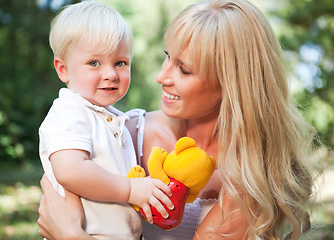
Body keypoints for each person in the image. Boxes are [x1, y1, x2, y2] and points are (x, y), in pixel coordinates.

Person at [38, 0, 316, 239]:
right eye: (167, 57)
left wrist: (70, 235)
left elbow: (67, 226)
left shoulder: (250, 173)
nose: (161, 77)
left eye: (183, 70)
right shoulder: (127, 131)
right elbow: (63, 181)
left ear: (230, 84)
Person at [38, 1, 174, 239]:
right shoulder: (69, 111)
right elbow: (70, 170)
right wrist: (131, 189)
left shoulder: (111, 118)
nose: (111, 74)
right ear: (63, 70)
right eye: (94, 63)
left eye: (120, 63)